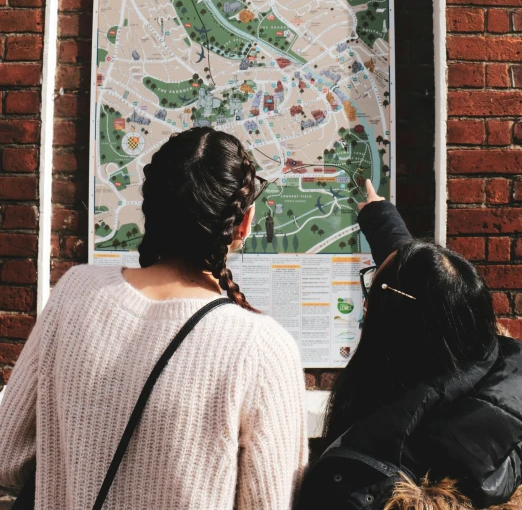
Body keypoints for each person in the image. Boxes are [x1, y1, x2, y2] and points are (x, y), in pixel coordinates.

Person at [0, 128, 308, 510]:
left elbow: (7, 453)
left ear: (150, 211)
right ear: (242, 224)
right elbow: (269, 503)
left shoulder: (76, 291)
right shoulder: (262, 347)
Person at [295, 180, 522, 510]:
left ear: (396, 330)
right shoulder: (494, 382)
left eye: (373, 294)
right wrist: (379, 215)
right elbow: (431, 291)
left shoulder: (366, 484)